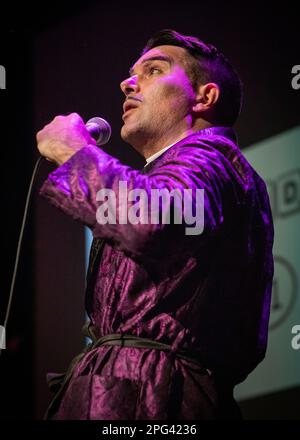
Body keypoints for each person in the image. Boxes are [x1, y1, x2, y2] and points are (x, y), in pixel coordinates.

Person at [36, 29, 274, 420]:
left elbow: (151, 221)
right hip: (132, 390)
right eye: (132, 73)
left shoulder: (211, 157)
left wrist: (73, 151)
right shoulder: (172, 170)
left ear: (204, 97)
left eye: (153, 70)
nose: (128, 82)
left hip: (157, 400)